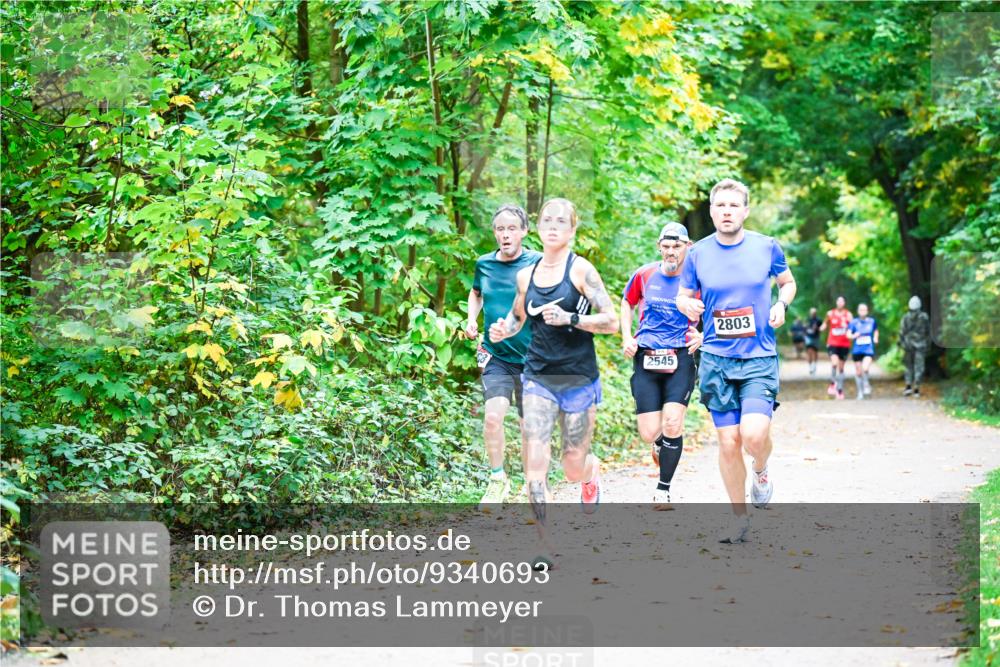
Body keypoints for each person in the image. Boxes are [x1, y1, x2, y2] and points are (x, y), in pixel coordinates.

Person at [676, 178, 796, 544]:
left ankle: (761, 470)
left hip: (758, 356)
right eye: (720, 206)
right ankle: (738, 518)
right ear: (711, 211)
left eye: (733, 205)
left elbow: (787, 283)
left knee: (754, 435)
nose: (726, 212)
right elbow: (683, 295)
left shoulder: (766, 247)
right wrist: (687, 305)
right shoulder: (697, 254)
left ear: (745, 210)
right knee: (728, 442)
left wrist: (781, 304)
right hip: (716, 358)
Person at [489, 197, 618, 537]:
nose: (553, 226)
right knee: (535, 462)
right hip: (537, 378)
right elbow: (518, 316)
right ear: (539, 226)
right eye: (547, 219)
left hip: (578, 378)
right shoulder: (525, 275)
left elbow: (611, 322)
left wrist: (571, 318)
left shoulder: (581, 271)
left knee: (572, 466)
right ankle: (542, 543)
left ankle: (590, 474)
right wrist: (504, 329)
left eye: (561, 221)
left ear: (572, 229)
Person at [620, 222, 703, 509]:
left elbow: (718, 309)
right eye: (666, 247)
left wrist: (704, 335)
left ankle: (663, 489)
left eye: (677, 246)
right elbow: (626, 303)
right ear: (659, 247)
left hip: (680, 356)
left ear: (687, 247)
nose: (671, 252)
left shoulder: (696, 281)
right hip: (647, 355)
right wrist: (627, 336)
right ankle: (660, 445)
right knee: (648, 432)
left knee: (672, 422)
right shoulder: (644, 274)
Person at [465, 204, 542, 507]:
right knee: (493, 418)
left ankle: (529, 483)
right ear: (494, 232)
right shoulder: (484, 264)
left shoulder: (537, 262)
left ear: (524, 231)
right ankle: (498, 479)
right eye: (500, 229)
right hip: (496, 355)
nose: (505, 234)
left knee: (527, 424)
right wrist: (473, 319)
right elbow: (476, 293)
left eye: (512, 228)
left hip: (532, 357)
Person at [820, 296, 853, 400]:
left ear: (844, 303)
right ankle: (832, 383)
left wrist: (851, 332)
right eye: (838, 301)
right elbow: (825, 323)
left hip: (844, 344)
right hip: (832, 342)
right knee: (834, 363)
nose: (840, 303)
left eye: (842, 301)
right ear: (836, 302)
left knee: (841, 368)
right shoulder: (830, 313)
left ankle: (840, 390)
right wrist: (822, 327)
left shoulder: (848, 314)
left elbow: (852, 327)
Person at [899, 295, 930, 397]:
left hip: (908, 345)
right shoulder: (924, 317)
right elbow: (928, 332)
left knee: (908, 366)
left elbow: (902, 332)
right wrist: (927, 344)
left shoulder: (905, 318)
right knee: (919, 367)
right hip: (921, 345)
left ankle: (908, 386)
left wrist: (901, 343)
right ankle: (916, 387)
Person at [847, 303, 878, 400]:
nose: (863, 312)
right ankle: (860, 392)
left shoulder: (872, 321)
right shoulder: (853, 322)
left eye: (864, 310)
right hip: (857, 350)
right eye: (861, 310)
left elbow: (876, 330)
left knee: (865, 368)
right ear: (858, 311)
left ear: (867, 311)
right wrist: (853, 336)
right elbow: (848, 334)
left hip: (868, 349)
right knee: (858, 372)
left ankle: (866, 384)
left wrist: (875, 338)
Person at [804, 307, 821, 374]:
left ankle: (814, 365)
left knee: (815, 352)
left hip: (816, 337)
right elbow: (804, 328)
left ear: (816, 313)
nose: (813, 313)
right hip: (808, 337)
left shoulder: (818, 320)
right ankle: (810, 366)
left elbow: (821, 328)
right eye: (811, 312)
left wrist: (817, 328)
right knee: (809, 351)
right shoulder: (807, 320)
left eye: (814, 312)